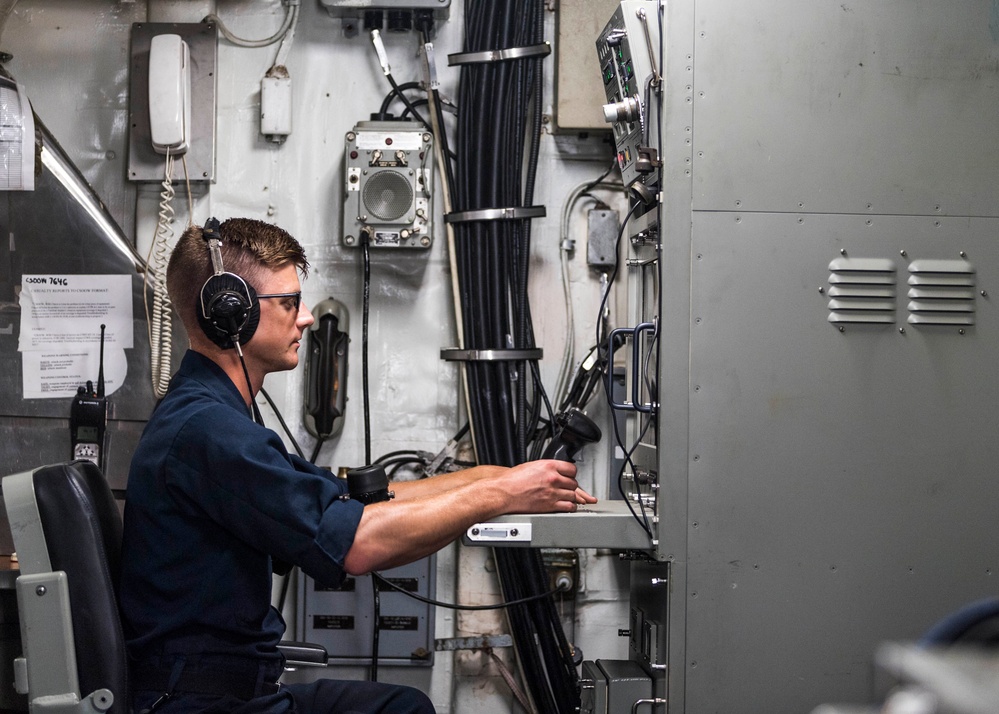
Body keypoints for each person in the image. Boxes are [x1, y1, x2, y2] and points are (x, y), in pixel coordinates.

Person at [119, 217, 597, 714]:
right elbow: (358, 543)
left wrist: (489, 477)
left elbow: (347, 500)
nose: (305, 317)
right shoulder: (208, 432)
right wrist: (497, 497)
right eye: (288, 303)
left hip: (215, 690)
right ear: (230, 314)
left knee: (402, 705)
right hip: (198, 703)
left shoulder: (210, 416)